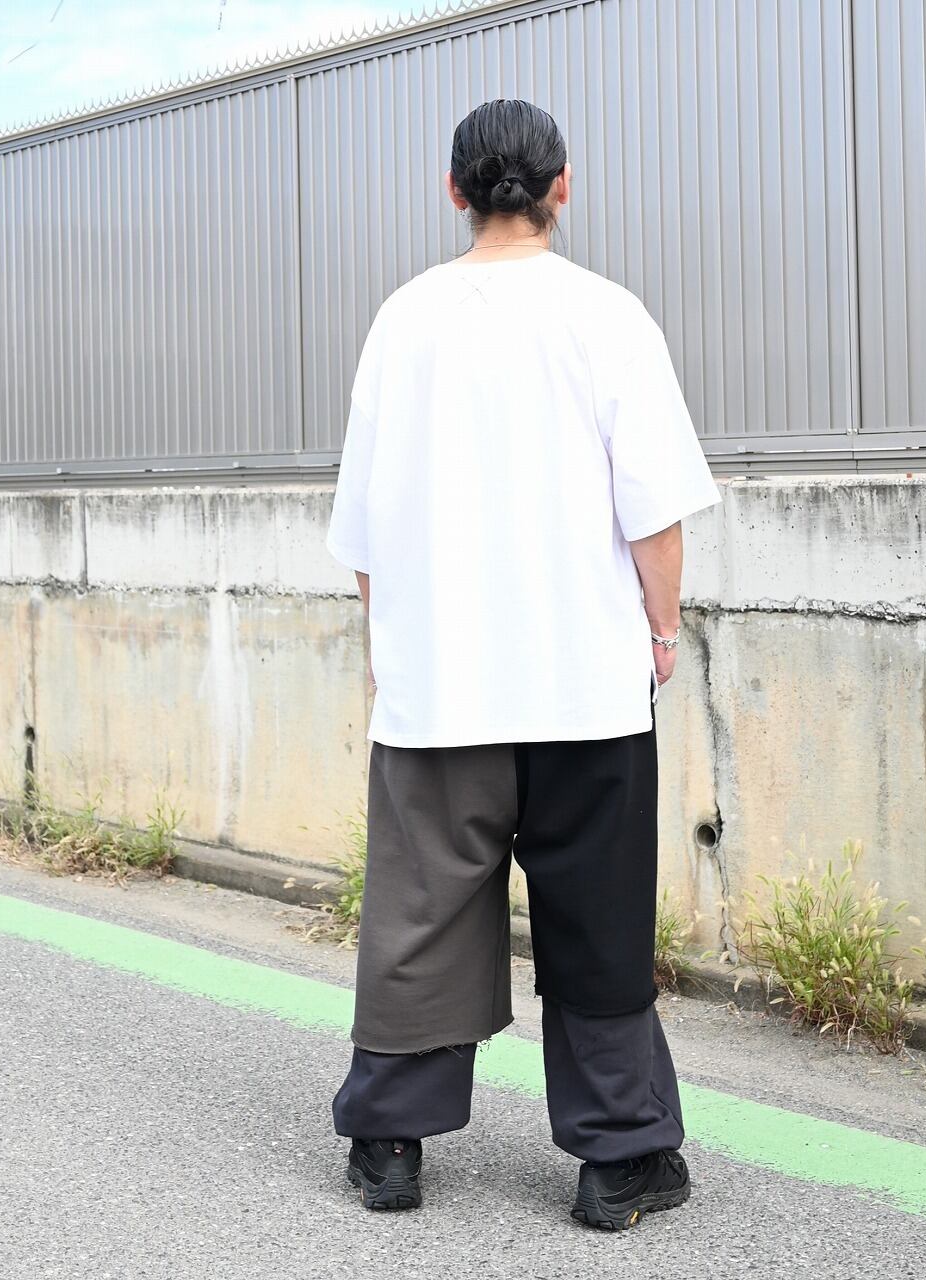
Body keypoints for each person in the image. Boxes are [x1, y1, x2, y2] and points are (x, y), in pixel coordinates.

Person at [324, 98, 722, 1231]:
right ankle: (619, 1159)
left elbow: (366, 528)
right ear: (562, 184)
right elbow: (653, 512)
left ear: (453, 191)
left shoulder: (403, 320)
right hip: (583, 680)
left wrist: (394, 652)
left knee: (419, 912)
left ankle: (388, 1145)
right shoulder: (607, 315)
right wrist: (659, 630)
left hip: (439, 684)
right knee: (596, 917)